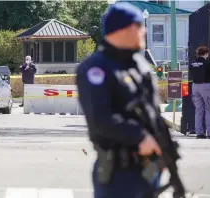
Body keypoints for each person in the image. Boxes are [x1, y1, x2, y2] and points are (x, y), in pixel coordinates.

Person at [76, 3, 163, 198]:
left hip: (150, 166)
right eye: (140, 26)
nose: (144, 31)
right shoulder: (95, 68)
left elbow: (152, 113)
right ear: (125, 28)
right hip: (119, 174)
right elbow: (101, 118)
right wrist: (140, 137)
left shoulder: (139, 65)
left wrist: (163, 149)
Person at [190, 46, 210, 139]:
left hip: (195, 86)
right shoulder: (208, 63)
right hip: (206, 86)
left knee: (198, 110)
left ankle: (199, 133)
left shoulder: (193, 63)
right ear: (206, 53)